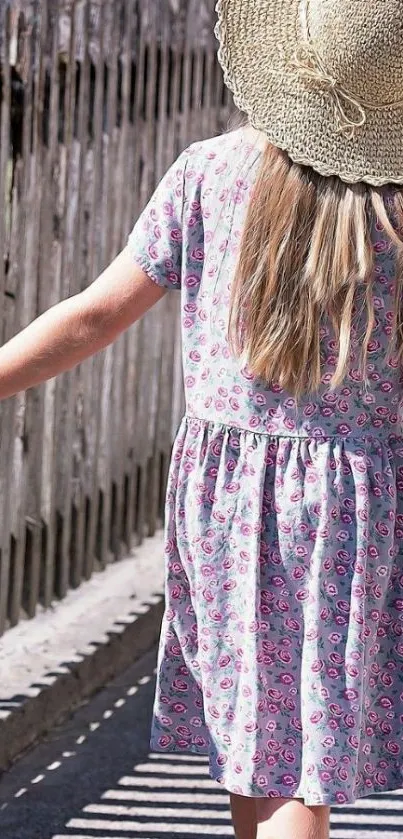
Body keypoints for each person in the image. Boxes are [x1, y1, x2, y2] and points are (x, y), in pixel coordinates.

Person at [1, 0, 403, 836]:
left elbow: (94, 315)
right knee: (307, 754)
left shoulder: (209, 171)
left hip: (224, 496)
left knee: (257, 735)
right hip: (352, 495)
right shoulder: (394, 213)